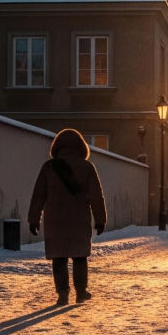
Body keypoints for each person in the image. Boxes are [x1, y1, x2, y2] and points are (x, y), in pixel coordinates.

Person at [28, 129, 107, 306]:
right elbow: (96, 196)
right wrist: (100, 219)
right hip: (79, 219)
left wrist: (34, 218)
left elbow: (38, 195)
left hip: (55, 221)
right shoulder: (87, 167)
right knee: (80, 257)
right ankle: (80, 292)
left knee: (59, 257)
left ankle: (62, 294)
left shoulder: (49, 167)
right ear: (81, 147)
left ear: (56, 147)